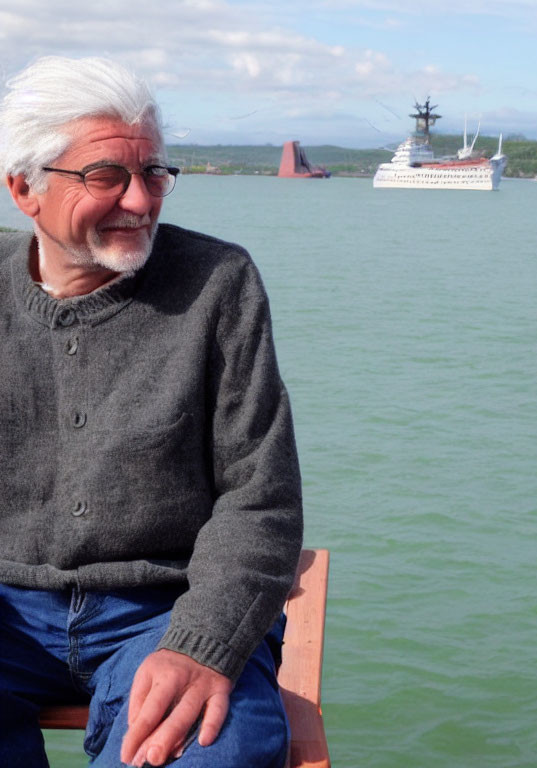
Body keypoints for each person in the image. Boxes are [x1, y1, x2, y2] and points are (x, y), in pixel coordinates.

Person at [0, 56, 303, 767]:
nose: (141, 201)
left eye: (155, 174)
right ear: (25, 190)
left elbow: (260, 500)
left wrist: (203, 644)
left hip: (168, 608)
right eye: (106, 176)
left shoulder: (219, 283)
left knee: (208, 749)